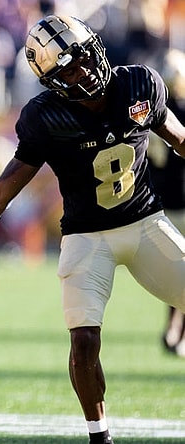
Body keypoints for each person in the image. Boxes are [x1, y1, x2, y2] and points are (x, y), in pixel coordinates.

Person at [0, 15, 185, 444]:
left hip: (146, 222)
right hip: (87, 237)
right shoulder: (45, 117)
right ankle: (99, 435)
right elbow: (2, 192)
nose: (84, 72)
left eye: (85, 58)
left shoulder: (139, 85)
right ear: (54, 82)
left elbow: (180, 138)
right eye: (69, 69)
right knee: (85, 339)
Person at [150, 48, 185, 357]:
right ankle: (176, 332)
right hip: (176, 205)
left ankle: (175, 331)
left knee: (178, 272)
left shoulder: (151, 112)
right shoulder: (169, 112)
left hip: (164, 207)